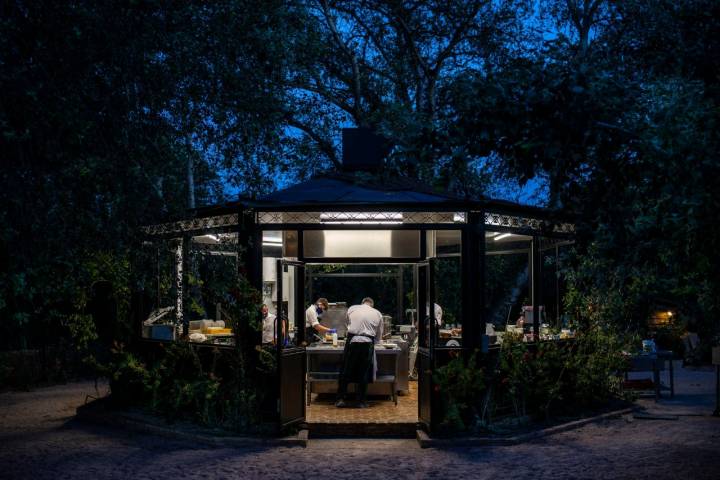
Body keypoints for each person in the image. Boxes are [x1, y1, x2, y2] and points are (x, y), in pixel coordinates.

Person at [336, 297, 383, 408]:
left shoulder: (353, 308)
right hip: (367, 343)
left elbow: (347, 324)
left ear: (362, 303)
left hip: (352, 341)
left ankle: (340, 399)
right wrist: (373, 342)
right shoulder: (377, 313)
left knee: (346, 370)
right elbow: (379, 335)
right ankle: (361, 402)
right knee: (364, 373)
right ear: (372, 305)